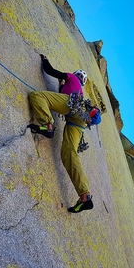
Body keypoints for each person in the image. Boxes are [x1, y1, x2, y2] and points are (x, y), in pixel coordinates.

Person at [27, 54, 96, 213]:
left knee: (37, 96)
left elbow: (49, 70)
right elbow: (61, 93)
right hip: (79, 119)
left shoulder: (71, 77)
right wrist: (61, 84)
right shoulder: (78, 91)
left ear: (76, 75)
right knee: (69, 153)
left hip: (70, 106)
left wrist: (45, 60)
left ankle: (47, 125)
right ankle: (85, 196)